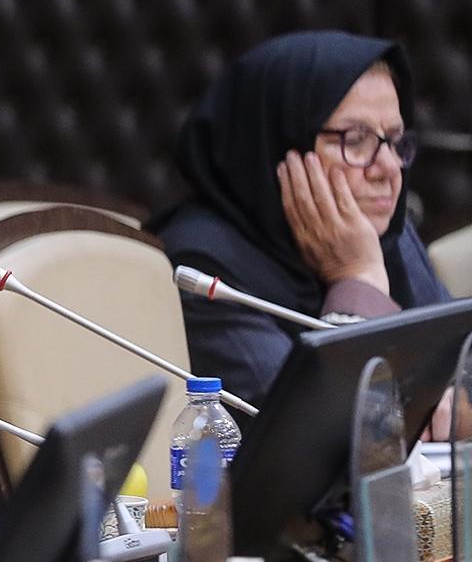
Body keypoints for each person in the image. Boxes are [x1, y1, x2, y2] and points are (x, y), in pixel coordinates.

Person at [154, 32, 450, 408]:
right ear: (275, 145)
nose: (389, 168)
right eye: (355, 140)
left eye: (394, 140)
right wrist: (358, 279)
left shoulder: (386, 231)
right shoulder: (202, 266)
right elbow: (320, 428)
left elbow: (463, 376)